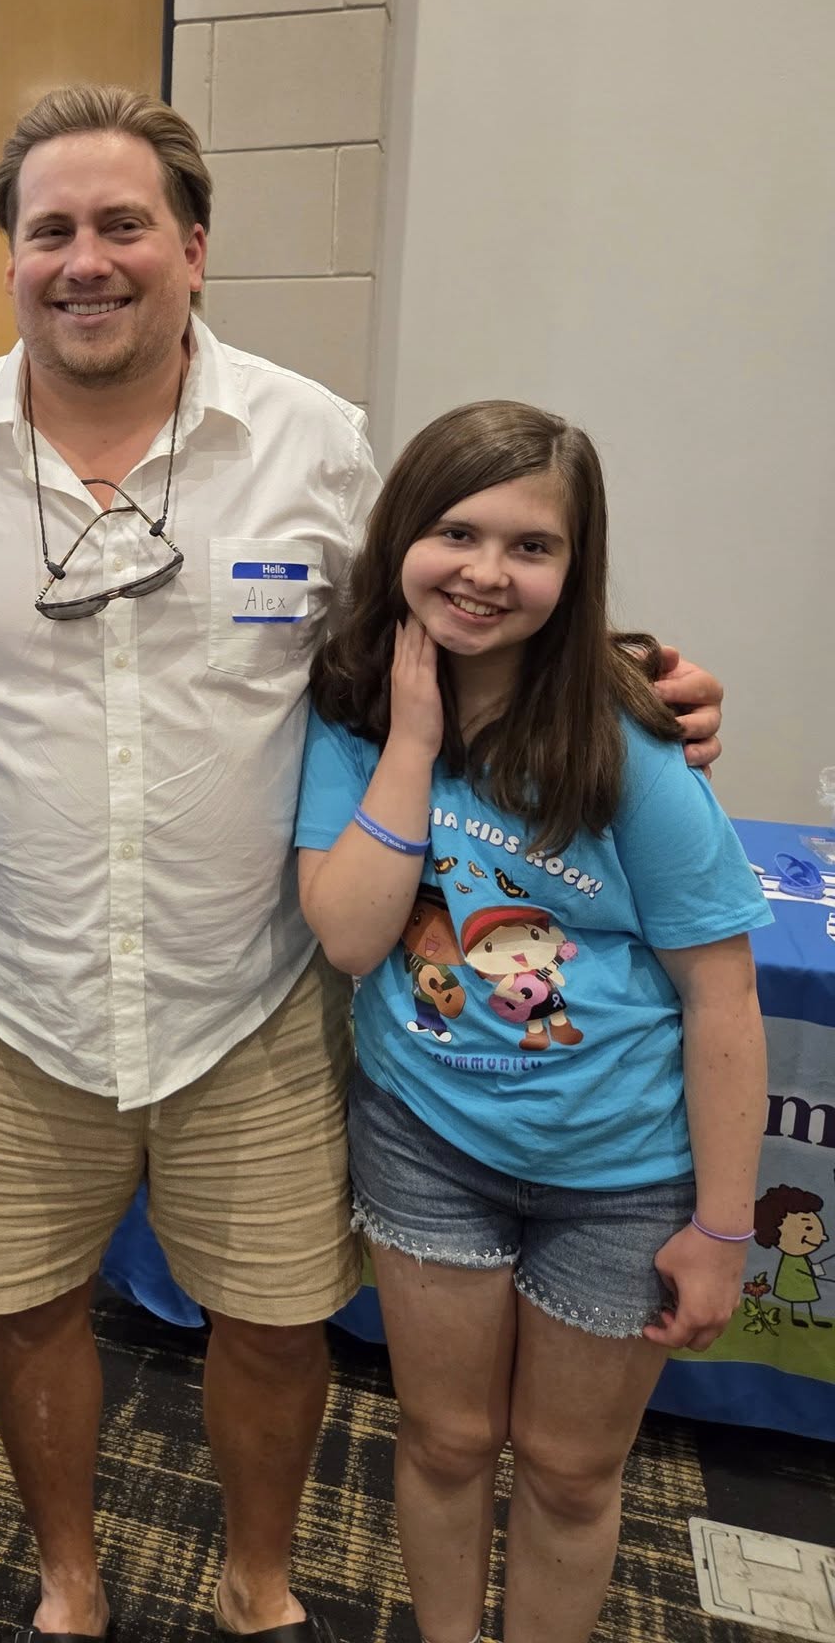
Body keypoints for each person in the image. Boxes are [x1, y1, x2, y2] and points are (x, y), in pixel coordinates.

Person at [0, 86, 725, 1643]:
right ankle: (67, 1580)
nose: (86, 259)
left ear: (193, 248)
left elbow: (444, 613)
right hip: (5, 985)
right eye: (51, 230)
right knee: (29, 1308)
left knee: (273, 1320)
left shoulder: (316, 443)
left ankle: (259, 1579)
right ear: (12, 260)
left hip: (254, 990)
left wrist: (628, 680)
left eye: (124, 225)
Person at [295, 399, 770, 1643]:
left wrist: (724, 1227)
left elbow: (723, 995)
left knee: (567, 1468)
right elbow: (350, 936)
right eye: (457, 530)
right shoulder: (352, 709)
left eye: (532, 545)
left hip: (621, 1173)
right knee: (447, 1438)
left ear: (576, 565)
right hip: (428, 1143)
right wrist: (413, 742)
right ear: (404, 533)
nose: (487, 571)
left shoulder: (629, 743)